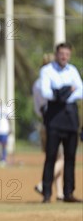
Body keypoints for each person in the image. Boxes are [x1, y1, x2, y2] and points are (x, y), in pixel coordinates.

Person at [39, 42, 82, 203]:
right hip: (54, 118)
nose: (64, 57)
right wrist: (66, 90)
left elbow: (81, 91)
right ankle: (47, 193)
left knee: (70, 158)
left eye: (67, 54)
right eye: (61, 53)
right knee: (51, 156)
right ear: (56, 54)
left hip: (71, 117)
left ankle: (68, 193)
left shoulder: (73, 71)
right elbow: (46, 92)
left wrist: (60, 93)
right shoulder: (47, 71)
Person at [32, 53, 64, 201]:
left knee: (54, 157)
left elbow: (37, 108)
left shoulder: (37, 83)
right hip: (55, 120)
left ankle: (59, 193)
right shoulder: (52, 82)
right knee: (62, 159)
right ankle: (42, 184)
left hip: (44, 121)